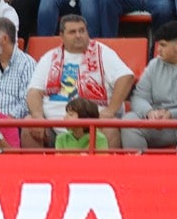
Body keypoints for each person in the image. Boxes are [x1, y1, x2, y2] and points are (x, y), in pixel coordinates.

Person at [24, 13, 133, 148]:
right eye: (72, 32)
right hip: (54, 127)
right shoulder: (49, 57)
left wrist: (110, 110)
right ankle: (37, 169)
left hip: (93, 128)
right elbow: (34, 91)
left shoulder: (103, 52)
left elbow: (126, 77)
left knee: (111, 129)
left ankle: (105, 169)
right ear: (61, 36)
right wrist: (37, 116)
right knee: (29, 123)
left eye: (82, 31)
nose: (78, 35)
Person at [117, 20, 177, 151]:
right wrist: (149, 113)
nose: (158, 50)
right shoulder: (154, 64)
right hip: (160, 125)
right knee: (129, 120)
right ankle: (139, 169)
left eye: (163, 45)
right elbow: (139, 97)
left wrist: (172, 114)